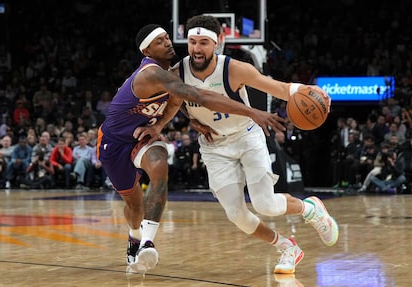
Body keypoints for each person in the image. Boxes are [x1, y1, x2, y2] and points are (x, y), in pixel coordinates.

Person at [139, 15, 339, 274]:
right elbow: (177, 102)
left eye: (203, 43)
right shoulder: (178, 72)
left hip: (246, 137)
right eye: (192, 42)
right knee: (237, 215)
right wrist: (161, 126)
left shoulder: (234, 69)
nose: (197, 49)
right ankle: (288, 247)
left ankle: (310, 208)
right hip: (214, 147)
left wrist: (308, 90)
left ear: (217, 43)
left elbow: (277, 87)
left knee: (265, 204)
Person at [97, 24, 286, 274]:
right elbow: (200, 96)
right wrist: (253, 112)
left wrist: (174, 122)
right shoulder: (151, 74)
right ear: (147, 50)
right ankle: (135, 236)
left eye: (168, 38)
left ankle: (147, 243)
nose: (168, 43)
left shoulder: (170, 73)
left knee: (160, 163)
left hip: (144, 136)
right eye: (161, 41)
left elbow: (178, 99)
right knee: (134, 206)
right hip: (114, 143)